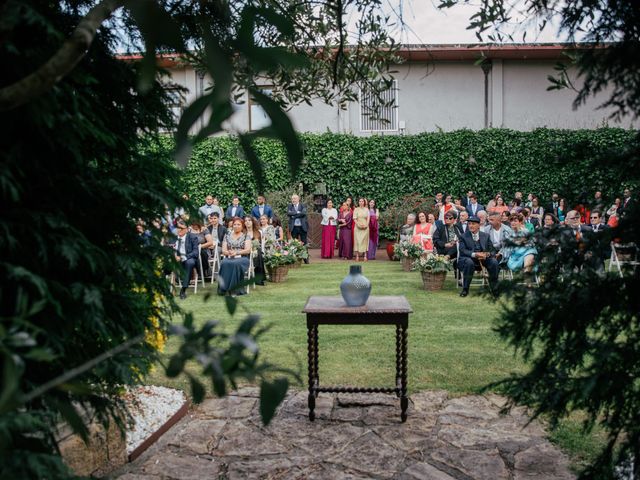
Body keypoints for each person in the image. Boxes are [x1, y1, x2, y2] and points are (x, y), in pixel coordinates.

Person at [457, 216, 499, 297]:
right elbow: (462, 250)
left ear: (479, 225)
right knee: (469, 263)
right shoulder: (463, 236)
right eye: (469, 224)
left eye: (473, 224)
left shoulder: (485, 236)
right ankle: (465, 289)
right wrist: (475, 254)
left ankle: (494, 289)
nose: (471, 226)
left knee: (494, 262)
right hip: (468, 259)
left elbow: (492, 250)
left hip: (483, 259)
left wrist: (486, 254)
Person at [218, 217, 252, 296]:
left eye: (238, 224)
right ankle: (224, 288)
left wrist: (236, 253)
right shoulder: (227, 236)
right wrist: (229, 252)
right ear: (232, 226)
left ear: (242, 226)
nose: (236, 226)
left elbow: (247, 250)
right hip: (230, 256)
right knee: (224, 263)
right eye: (234, 224)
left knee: (235, 264)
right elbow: (224, 250)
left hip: (242, 258)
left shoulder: (246, 236)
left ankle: (234, 290)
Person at [174, 220, 199, 300]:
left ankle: (183, 290)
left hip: (188, 258)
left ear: (187, 229)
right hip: (175, 259)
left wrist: (182, 257)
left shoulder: (192, 237)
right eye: (177, 228)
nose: (179, 230)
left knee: (190, 263)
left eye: (181, 228)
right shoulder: (173, 237)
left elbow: (195, 253)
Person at [287, 194, 310, 263]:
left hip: (302, 227)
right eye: (292, 199)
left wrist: (294, 215)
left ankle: (306, 259)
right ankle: (296, 259)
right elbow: (288, 213)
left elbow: (303, 213)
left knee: (304, 243)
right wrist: (297, 213)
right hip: (294, 227)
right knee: (295, 244)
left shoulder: (303, 205)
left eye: (295, 199)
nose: (293, 200)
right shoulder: (290, 206)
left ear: (298, 199)